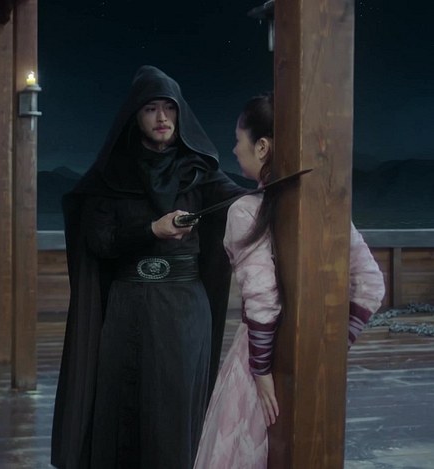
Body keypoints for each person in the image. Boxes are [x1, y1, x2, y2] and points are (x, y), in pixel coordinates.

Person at [51, 65, 247, 469]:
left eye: (169, 109)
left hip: (183, 308)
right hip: (127, 306)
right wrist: (150, 230)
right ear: (134, 117)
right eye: (150, 109)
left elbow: (244, 204)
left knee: (174, 408)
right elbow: (99, 241)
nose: (162, 118)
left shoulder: (200, 172)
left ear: (181, 114)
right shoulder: (110, 175)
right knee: (123, 406)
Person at [193, 93, 386, 468]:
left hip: (258, 365)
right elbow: (371, 285)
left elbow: (263, 299)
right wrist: (333, 348)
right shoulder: (328, 210)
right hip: (315, 362)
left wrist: (262, 371)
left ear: (262, 147)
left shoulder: (245, 211)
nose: (234, 149)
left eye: (238, 139)